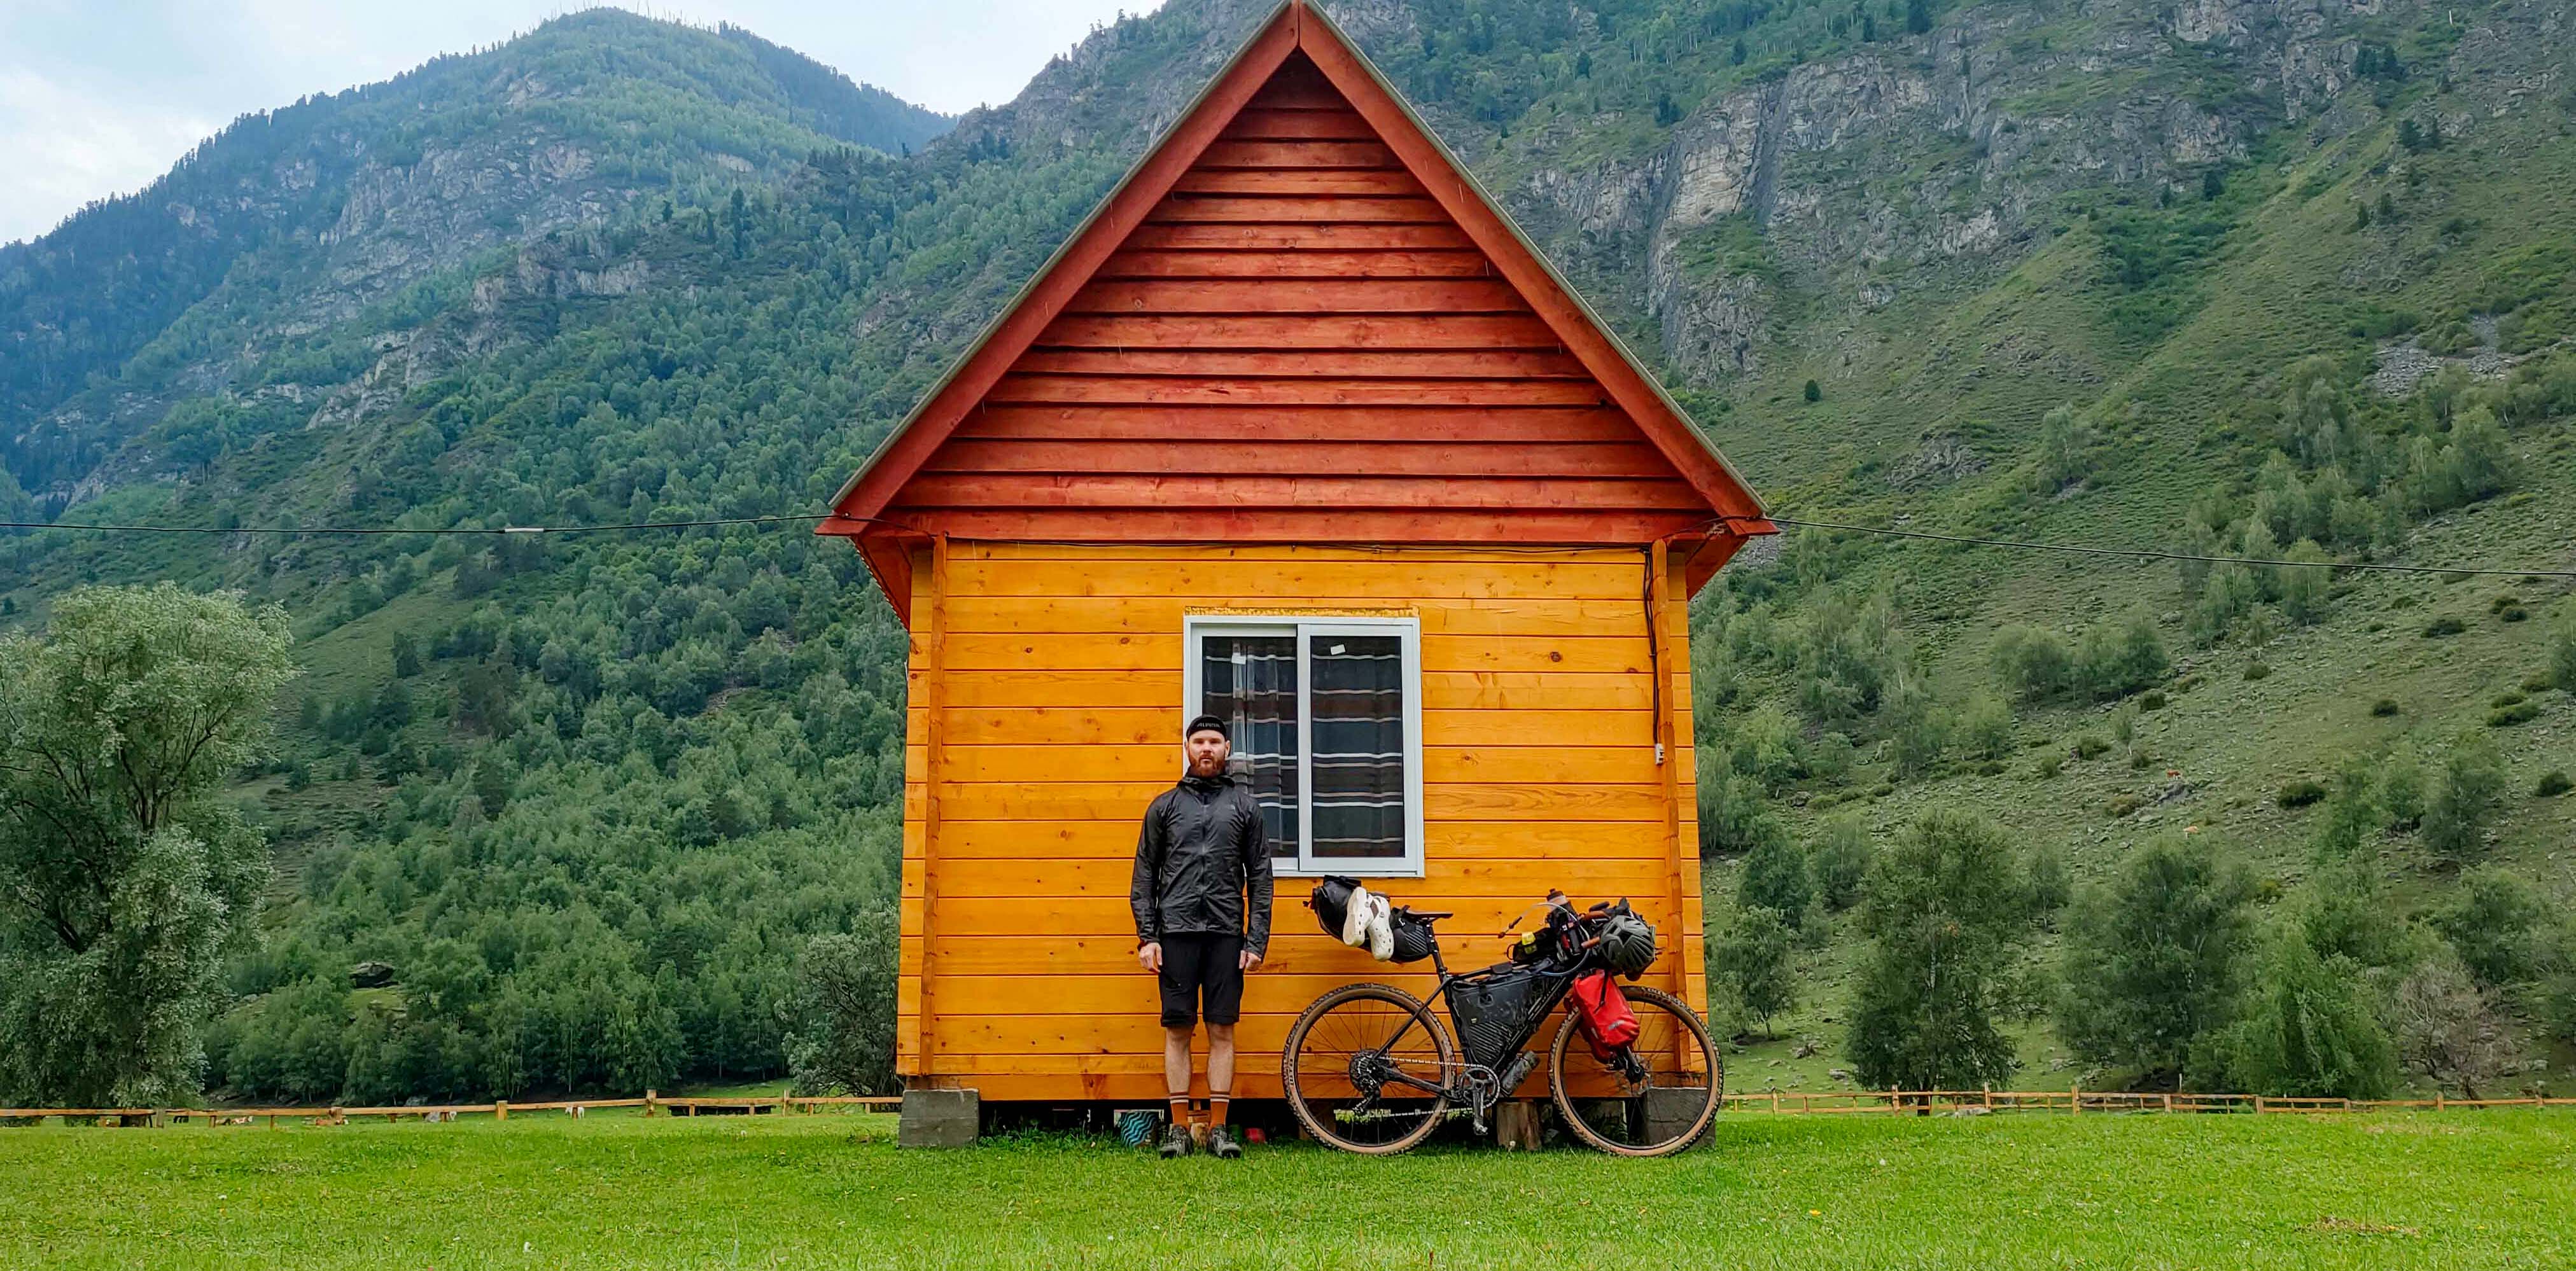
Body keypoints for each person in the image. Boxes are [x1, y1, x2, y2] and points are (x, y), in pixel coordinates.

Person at [1131, 714, 1273, 1158]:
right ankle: (1177, 1129)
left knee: (1222, 1030)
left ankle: (1218, 1129)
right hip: (1175, 934)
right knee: (1177, 1030)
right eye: (1199, 742)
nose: (1206, 749)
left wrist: (1256, 942)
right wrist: (1147, 937)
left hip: (1227, 935)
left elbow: (1262, 879)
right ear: (1188, 749)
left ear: (1227, 749)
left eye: (1214, 742)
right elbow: (1144, 877)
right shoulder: (1164, 807)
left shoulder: (1245, 808)